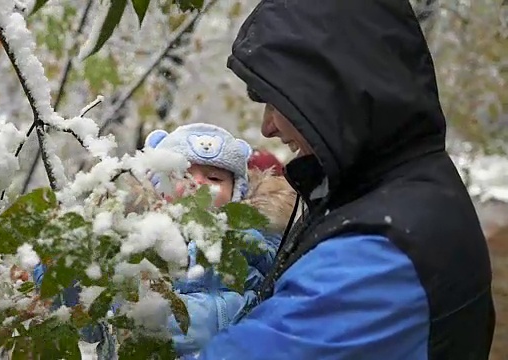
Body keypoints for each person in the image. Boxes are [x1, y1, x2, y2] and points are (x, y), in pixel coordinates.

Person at [184, 1, 495, 359]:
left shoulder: (376, 255)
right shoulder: (406, 192)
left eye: (275, 102)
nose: (266, 128)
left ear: (325, 92)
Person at [33, 123, 296, 357]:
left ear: (236, 195)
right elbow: (92, 320)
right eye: (182, 175)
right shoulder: (133, 244)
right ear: (158, 189)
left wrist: (171, 322)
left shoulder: (254, 246)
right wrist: (59, 269)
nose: (198, 184)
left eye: (215, 178)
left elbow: (259, 315)